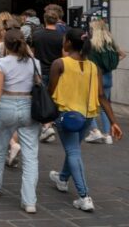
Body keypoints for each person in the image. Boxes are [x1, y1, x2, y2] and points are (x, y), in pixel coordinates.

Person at [48, 28, 123, 212]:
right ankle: (63, 178)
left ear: (68, 44)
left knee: (73, 151)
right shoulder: (93, 67)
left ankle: (84, 196)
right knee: (73, 148)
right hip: (88, 116)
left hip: (67, 115)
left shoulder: (59, 64)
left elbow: (50, 91)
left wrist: (46, 117)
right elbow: (101, 96)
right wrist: (113, 121)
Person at [0, 28, 42, 214]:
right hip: (28, 105)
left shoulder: (2, 62)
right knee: (31, 155)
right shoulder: (35, 62)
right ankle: (29, 200)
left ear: (6, 45)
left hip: (7, 104)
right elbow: (38, 84)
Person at [85, 19, 126, 144]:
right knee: (105, 106)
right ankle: (108, 135)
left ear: (94, 30)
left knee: (90, 105)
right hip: (108, 77)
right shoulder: (110, 43)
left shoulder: (91, 44)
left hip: (95, 77)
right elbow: (123, 54)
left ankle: (95, 131)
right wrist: (111, 64)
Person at [32, 11, 65, 144]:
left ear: (44, 19)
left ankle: (47, 126)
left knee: (42, 99)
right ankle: (49, 125)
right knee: (54, 99)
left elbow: (32, 54)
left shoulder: (37, 35)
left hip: (40, 70)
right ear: (57, 20)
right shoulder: (61, 36)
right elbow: (64, 55)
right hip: (57, 71)